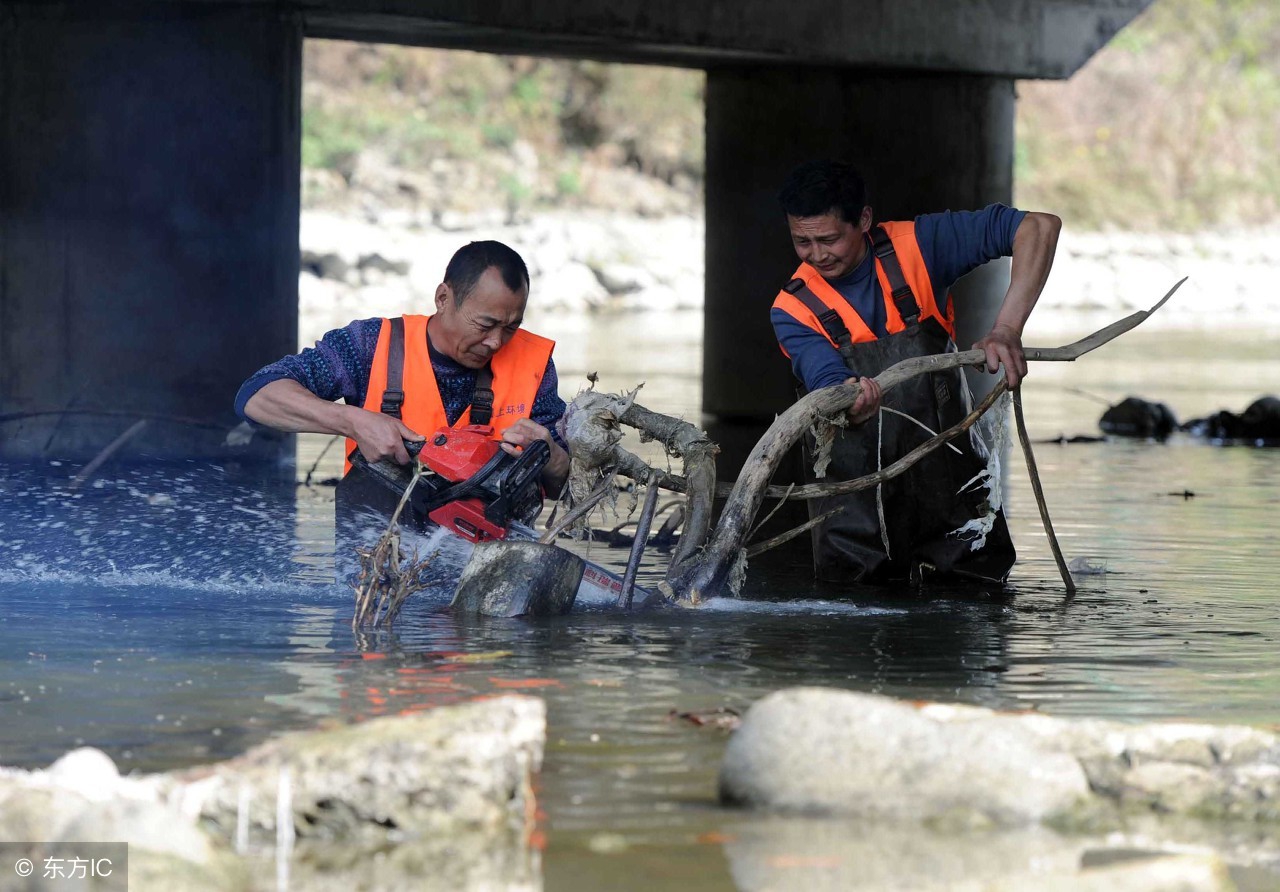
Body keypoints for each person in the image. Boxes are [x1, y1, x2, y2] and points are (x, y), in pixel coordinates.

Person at [770, 160, 1061, 586]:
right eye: (803, 242)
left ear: (864, 220)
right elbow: (825, 377)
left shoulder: (919, 247)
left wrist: (1006, 329)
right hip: (854, 518)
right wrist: (848, 399)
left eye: (829, 239)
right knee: (851, 605)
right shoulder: (792, 309)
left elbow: (1039, 227)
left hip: (953, 494)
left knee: (976, 600)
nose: (817, 255)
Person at [236, 240, 570, 495]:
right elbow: (257, 396)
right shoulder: (370, 344)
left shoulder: (533, 363)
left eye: (511, 327)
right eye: (485, 324)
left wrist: (550, 455)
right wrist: (352, 421)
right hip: (375, 568)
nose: (497, 342)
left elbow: (561, 485)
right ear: (443, 298)